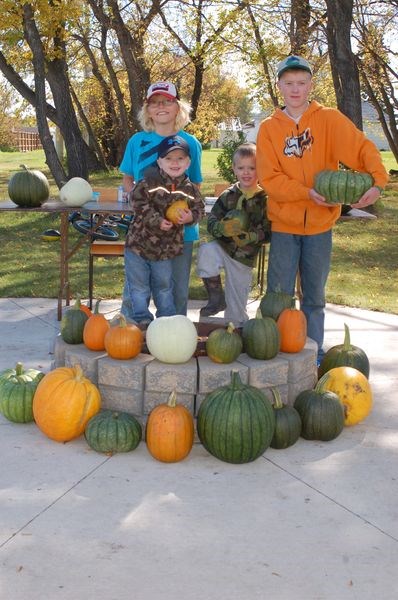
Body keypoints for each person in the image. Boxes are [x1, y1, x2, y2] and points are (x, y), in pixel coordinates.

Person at [256, 54, 389, 363]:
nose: (295, 89)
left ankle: (311, 356)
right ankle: (275, 356)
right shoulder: (269, 128)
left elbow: (361, 149)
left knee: (314, 298)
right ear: (279, 86)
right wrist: (306, 193)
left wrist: (378, 182)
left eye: (301, 83)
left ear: (310, 85)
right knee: (279, 298)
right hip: (284, 226)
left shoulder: (328, 119)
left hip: (319, 228)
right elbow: (270, 179)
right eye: (288, 83)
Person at [119, 81, 203, 318]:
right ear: (147, 109)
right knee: (135, 291)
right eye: (155, 102)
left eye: (167, 101)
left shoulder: (191, 143)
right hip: (143, 233)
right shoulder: (137, 141)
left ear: (178, 107)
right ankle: (131, 336)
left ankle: (174, 341)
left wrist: (186, 215)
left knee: (175, 292)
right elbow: (127, 179)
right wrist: (138, 203)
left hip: (179, 234)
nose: (161, 107)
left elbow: (195, 184)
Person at [124, 135, 204, 326]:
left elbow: (199, 209)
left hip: (166, 250)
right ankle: (141, 319)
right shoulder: (148, 182)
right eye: (168, 158)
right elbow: (137, 202)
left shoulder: (190, 189)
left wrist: (190, 217)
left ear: (188, 162)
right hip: (138, 246)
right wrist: (157, 220)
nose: (174, 163)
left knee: (164, 285)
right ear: (160, 161)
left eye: (180, 159)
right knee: (139, 286)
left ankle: (166, 321)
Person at [197, 142, 270, 327]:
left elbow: (269, 230)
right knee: (206, 251)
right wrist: (220, 228)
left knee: (236, 311)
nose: (246, 172)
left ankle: (236, 331)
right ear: (234, 169)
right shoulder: (228, 195)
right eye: (241, 168)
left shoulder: (264, 199)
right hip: (224, 247)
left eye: (252, 168)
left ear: (260, 169)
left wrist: (253, 236)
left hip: (244, 257)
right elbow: (212, 219)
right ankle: (216, 298)